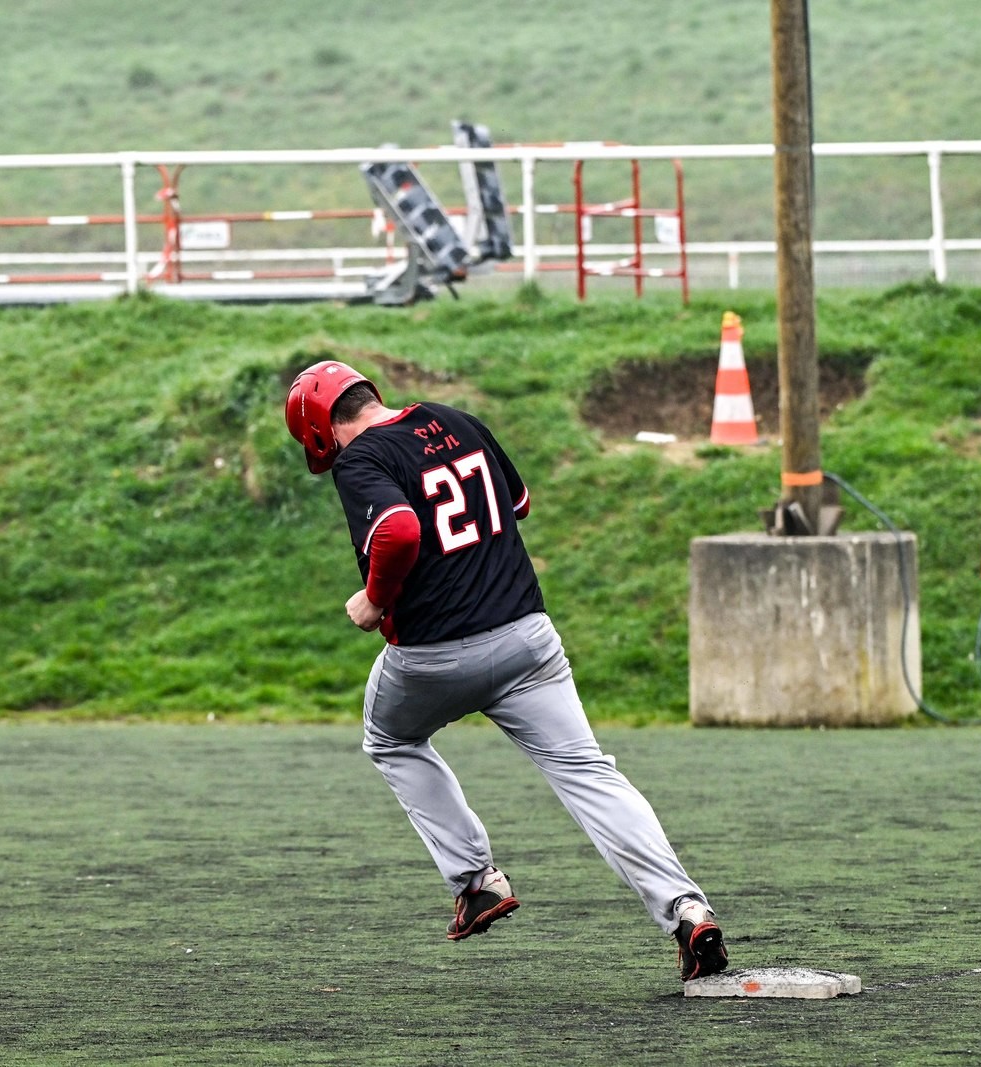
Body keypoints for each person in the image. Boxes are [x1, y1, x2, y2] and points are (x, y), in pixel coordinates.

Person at [284, 359, 729, 980]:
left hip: (435, 654)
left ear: (318, 430)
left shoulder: (360, 459)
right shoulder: (455, 420)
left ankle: (476, 880)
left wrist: (377, 598)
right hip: (528, 640)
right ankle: (686, 908)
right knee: (589, 774)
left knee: (390, 738)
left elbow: (400, 529)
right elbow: (519, 502)